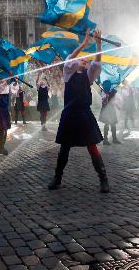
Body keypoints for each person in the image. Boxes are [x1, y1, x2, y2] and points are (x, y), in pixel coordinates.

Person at [48, 30, 109, 193]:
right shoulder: (68, 73)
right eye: (81, 59)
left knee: (92, 146)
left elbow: (97, 63)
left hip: (84, 114)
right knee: (64, 148)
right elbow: (69, 61)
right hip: (70, 113)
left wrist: (98, 44)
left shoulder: (89, 76)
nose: (83, 60)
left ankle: (103, 179)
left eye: (85, 60)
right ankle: (57, 178)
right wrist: (84, 43)